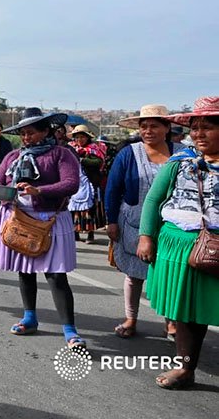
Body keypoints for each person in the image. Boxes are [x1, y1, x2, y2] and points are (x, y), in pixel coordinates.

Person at [137, 96, 219, 390]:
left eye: (207, 127)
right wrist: (146, 235)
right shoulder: (181, 161)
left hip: (216, 248)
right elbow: (154, 199)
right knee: (186, 311)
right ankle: (186, 368)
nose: (198, 134)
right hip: (179, 245)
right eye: (195, 128)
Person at [0, 108, 86, 349]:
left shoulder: (62, 155)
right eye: (22, 133)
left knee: (56, 276)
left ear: (46, 131)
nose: (25, 138)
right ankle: (29, 318)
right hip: (19, 219)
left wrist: (39, 190)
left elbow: (70, 184)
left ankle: (70, 330)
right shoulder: (13, 157)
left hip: (49, 220)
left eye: (30, 133)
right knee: (25, 271)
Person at [105, 105, 180, 339]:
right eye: (144, 126)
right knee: (134, 275)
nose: (148, 131)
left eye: (154, 126)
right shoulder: (129, 153)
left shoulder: (182, 154)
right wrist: (111, 221)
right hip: (133, 223)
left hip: (171, 225)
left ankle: (171, 322)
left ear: (167, 128)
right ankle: (131, 318)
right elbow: (113, 188)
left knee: (169, 275)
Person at [69, 124, 107, 244]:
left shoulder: (93, 149)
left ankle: (90, 234)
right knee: (74, 210)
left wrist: (83, 160)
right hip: (75, 183)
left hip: (90, 184)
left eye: (82, 137)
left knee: (90, 210)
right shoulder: (70, 149)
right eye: (77, 137)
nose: (79, 140)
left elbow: (98, 162)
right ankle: (75, 233)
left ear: (87, 138)